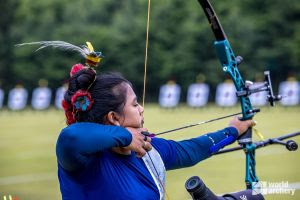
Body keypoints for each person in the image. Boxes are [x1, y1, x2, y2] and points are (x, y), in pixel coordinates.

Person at [56, 63, 256, 200]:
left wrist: (233, 130)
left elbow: (191, 150)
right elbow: (70, 136)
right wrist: (126, 137)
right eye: (135, 105)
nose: (141, 109)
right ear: (114, 118)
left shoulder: (147, 150)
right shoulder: (83, 160)